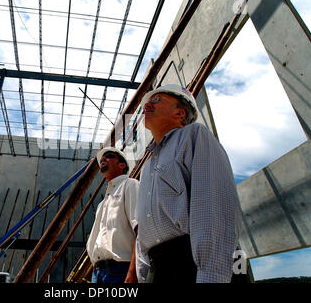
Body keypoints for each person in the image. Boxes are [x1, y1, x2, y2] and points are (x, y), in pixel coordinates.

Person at [125, 84, 243, 283]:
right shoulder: (147, 167)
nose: (147, 105)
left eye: (156, 100)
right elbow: (144, 229)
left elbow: (213, 208)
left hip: (193, 262)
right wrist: (142, 274)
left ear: (179, 113)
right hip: (161, 266)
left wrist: (211, 276)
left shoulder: (194, 135)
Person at [86, 147, 139, 283]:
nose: (103, 159)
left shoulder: (130, 185)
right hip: (98, 273)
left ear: (122, 165)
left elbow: (141, 230)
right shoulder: (103, 203)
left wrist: (132, 272)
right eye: (101, 159)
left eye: (109, 156)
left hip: (121, 270)